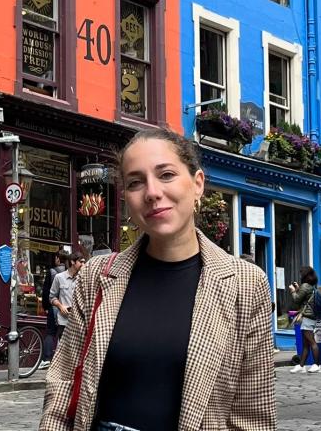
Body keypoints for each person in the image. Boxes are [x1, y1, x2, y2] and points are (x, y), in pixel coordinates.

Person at [39, 128, 275, 431]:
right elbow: (63, 382)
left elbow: (253, 415)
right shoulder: (97, 275)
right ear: (126, 199)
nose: (152, 192)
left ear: (198, 184)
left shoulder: (245, 283)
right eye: (136, 182)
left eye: (166, 175)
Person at [288, 266, 321, 374]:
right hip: (311, 316)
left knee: (311, 342)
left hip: (307, 317)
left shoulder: (305, 286)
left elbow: (297, 300)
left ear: (305, 275)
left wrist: (293, 291)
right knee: (306, 343)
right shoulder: (311, 286)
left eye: (301, 273)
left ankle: (317, 365)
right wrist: (298, 289)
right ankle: (301, 365)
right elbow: (304, 298)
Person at [41, 249, 70, 368]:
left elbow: (46, 292)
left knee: (51, 332)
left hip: (55, 306)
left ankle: (47, 358)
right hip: (67, 306)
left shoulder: (52, 272)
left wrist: (45, 306)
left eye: (56, 257)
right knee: (64, 333)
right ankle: (64, 360)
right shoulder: (69, 273)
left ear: (58, 258)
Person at [49, 251, 86, 341]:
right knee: (64, 352)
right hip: (64, 322)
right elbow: (52, 297)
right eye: (81, 262)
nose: (83, 264)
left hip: (79, 323)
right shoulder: (59, 277)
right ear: (73, 262)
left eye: (84, 262)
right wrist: (60, 306)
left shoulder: (84, 278)